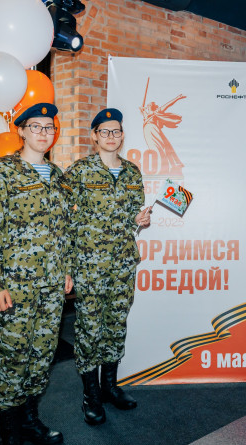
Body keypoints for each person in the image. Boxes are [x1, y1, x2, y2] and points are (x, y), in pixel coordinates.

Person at [0, 103, 74, 445]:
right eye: (36, 126)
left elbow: (64, 229)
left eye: (50, 127)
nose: (44, 133)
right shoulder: (1, 170)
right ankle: (10, 434)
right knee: (14, 356)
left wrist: (66, 269)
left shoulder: (59, 175)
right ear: (21, 130)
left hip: (51, 286)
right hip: (15, 286)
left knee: (43, 354)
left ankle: (30, 420)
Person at [65, 108, 151, 426]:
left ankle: (110, 387)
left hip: (123, 262)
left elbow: (132, 215)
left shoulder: (132, 172)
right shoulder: (79, 171)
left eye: (116, 131)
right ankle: (91, 395)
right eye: (105, 131)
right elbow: (63, 218)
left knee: (116, 324)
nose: (111, 136)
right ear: (95, 136)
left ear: (122, 135)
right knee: (90, 328)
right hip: (90, 264)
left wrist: (139, 219)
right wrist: (67, 265)